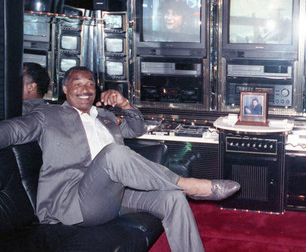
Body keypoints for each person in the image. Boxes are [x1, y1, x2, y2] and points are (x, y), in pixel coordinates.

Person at [0, 66, 240, 252]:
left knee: (172, 198)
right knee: (113, 153)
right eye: (77, 83)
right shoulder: (47, 115)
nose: (85, 89)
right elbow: (12, 131)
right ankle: (189, 185)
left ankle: (182, 200)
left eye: (90, 84)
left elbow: (136, 128)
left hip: (113, 196)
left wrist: (124, 103)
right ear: (65, 89)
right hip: (72, 203)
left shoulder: (103, 117)